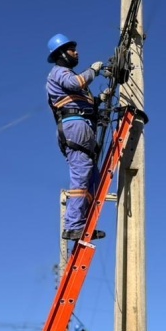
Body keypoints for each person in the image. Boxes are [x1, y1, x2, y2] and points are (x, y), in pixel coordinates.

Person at [45, 33, 112, 241]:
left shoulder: (66, 75)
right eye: (72, 50)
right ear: (61, 54)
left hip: (83, 126)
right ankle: (74, 225)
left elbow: (82, 100)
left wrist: (100, 99)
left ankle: (84, 223)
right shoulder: (58, 72)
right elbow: (77, 83)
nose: (77, 53)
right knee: (81, 174)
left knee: (93, 179)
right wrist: (95, 70)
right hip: (74, 126)